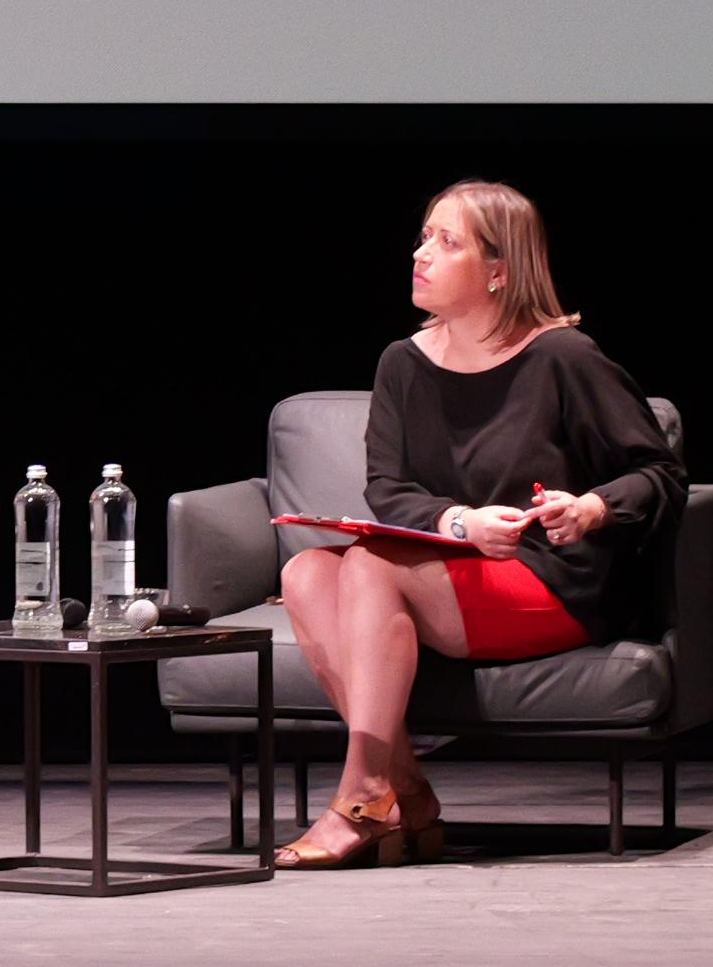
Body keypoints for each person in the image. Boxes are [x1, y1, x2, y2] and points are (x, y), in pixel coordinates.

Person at [274, 177, 683, 870]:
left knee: (368, 564)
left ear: (499, 270)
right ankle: (407, 790)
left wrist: (589, 508)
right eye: (424, 236)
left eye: (447, 241)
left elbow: (659, 472)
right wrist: (460, 522)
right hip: (458, 568)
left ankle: (362, 796)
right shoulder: (402, 362)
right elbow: (387, 489)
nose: (421, 253)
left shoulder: (563, 358)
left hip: (552, 577)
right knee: (306, 571)